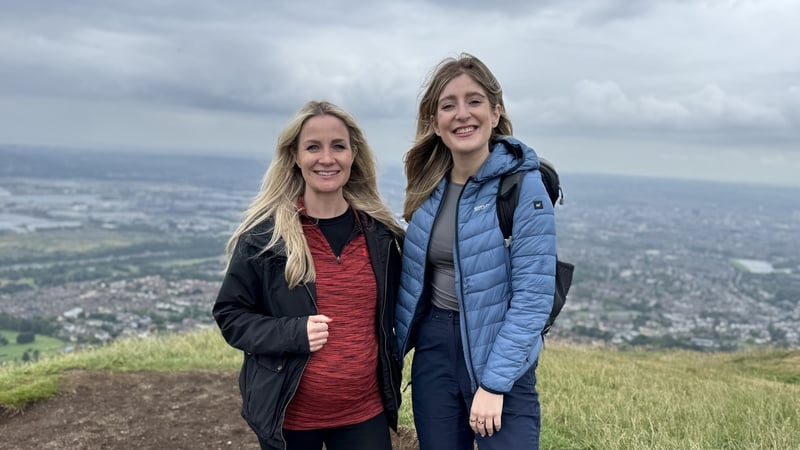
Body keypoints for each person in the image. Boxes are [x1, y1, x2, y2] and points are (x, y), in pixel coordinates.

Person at [213, 100, 405, 450]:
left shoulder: (380, 236)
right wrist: (292, 331)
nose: (326, 158)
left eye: (338, 146)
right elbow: (230, 315)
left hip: (365, 414)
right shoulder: (265, 238)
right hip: (290, 419)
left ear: (353, 155)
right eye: (313, 147)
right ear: (295, 157)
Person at [395, 53, 557, 450]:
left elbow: (533, 298)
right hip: (435, 350)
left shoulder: (522, 186)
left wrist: (494, 383)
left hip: (498, 350)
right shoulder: (426, 187)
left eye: (474, 101)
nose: (462, 114)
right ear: (435, 122)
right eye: (448, 105)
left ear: (496, 112)